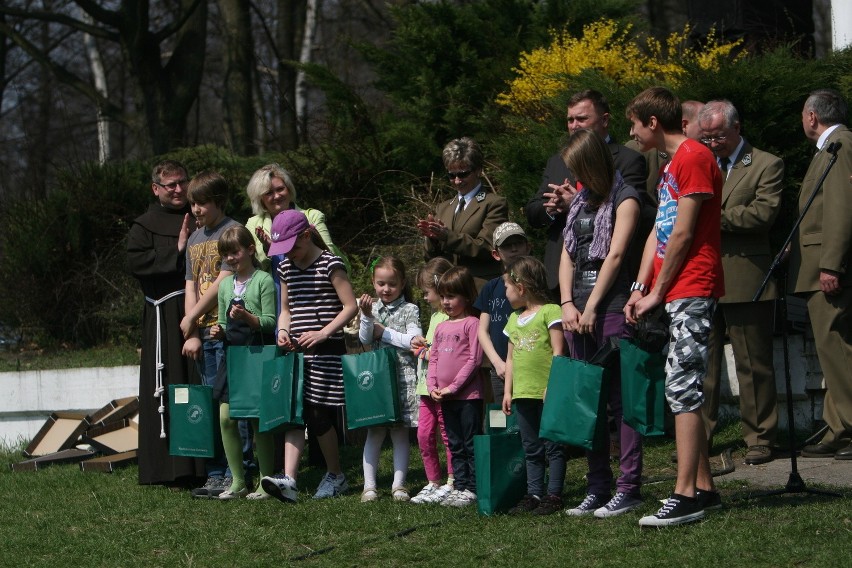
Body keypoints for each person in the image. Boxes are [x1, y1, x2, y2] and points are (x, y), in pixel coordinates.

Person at [624, 86, 724, 527]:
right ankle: (703, 487)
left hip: (692, 285)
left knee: (684, 387)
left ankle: (685, 496)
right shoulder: (669, 166)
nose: (631, 133)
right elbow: (658, 233)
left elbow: (683, 235)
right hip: (673, 287)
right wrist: (639, 285)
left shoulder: (694, 157)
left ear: (652, 123)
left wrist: (659, 293)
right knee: (679, 385)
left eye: (633, 123)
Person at [556, 129, 644, 518]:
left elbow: (615, 254)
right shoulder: (580, 202)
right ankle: (597, 486)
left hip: (611, 307)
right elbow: (567, 255)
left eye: (578, 169)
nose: (574, 177)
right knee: (586, 400)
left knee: (621, 403)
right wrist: (567, 304)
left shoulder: (625, 198)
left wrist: (591, 306)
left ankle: (628, 487)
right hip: (579, 310)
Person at [697, 99, 782, 465]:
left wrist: (713, 215)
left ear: (736, 127)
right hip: (702, 275)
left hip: (746, 276)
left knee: (752, 363)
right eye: (707, 137)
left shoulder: (766, 164)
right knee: (703, 363)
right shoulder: (700, 163)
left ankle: (760, 436)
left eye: (718, 136)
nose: (713, 143)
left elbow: (763, 213)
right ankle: (698, 438)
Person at [260, 209, 358, 502]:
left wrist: (323, 333)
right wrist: (282, 331)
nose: (289, 255)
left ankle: (336, 474)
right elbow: (286, 310)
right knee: (293, 414)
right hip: (297, 355)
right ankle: (289, 479)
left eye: (294, 248)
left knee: (318, 414)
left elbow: (350, 306)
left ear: (305, 235)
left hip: (326, 353)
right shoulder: (285, 268)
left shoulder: (330, 264)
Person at [127, 159, 205, 486]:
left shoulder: (201, 215)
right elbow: (135, 262)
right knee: (168, 385)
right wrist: (178, 249)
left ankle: (201, 464)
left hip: (199, 310)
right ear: (155, 189)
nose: (178, 190)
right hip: (163, 315)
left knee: (198, 383)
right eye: (170, 185)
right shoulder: (144, 226)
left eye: (182, 182)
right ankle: (166, 468)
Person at [525, 89, 647, 295]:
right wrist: (552, 208)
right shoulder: (557, 162)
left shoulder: (627, 160)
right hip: (560, 277)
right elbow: (532, 212)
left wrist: (577, 203)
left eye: (581, 119)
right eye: (570, 120)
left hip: (605, 275)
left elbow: (635, 213)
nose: (574, 126)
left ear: (604, 120)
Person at [789, 89, 852, 460]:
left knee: (837, 347)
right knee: (832, 351)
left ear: (812, 116)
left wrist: (831, 264)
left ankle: (846, 428)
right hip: (818, 265)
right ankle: (836, 426)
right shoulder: (831, 148)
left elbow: (841, 210)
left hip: (827, 270)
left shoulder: (841, 145)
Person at [180, 171, 242, 498]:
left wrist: (192, 316)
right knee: (209, 400)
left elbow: (223, 280)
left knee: (230, 404)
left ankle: (238, 471)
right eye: (192, 203)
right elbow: (191, 283)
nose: (196, 209)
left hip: (226, 328)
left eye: (202, 203)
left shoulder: (233, 231)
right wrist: (191, 328)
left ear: (219, 201)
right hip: (203, 332)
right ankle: (216, 471)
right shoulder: (193, 239)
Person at [210, 225, 277, 499]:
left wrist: (249, 318)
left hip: (258, 356)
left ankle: (266, 481)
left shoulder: (263, 280)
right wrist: (219, 329)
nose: (231, 258)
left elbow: (271, 323)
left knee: (257, 420)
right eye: (226, 254)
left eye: (235, 252)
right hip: (232, 357)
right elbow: (225, 323)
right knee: (226, 418)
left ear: (250, 249)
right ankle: (237, 481)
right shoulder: (225, 284)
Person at [501, 256, 566, 516]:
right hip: (522, 394)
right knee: (531, 446)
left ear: (522, 286)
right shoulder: (513, 320)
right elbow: (510, 358)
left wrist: (554, 385)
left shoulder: (551, 311)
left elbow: (559, 352)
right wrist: (508, 391)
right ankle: (534, 492)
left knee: (554, 444)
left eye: (507, 286)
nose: (505, 292)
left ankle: (553, 494)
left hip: (547, 392)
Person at [357, 257, 422, 502]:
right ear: (373, 283)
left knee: (399, 433)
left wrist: (384, 333)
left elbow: (415, 341)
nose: (386, 289)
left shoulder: (410, 310)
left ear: (402, 283)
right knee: (374, 431)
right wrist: (365, 315)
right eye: (381, 283)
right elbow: (364, 340)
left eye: (392, 284)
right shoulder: (370, 308)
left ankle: (399, 485)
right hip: (376, 379)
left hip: (402, 378)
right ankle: (370, 486)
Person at [426, 266, 483, 507]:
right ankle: (459, 485)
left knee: (470, 442)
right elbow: (434, 357)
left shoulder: (472, 323)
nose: (446, 302)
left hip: (468, 397)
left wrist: (454, 387)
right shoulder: (440, 327)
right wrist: (432, 386)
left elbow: (475, 359)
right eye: (443, 296)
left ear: (467, 296)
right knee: (454, 443)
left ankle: (473, 487)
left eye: (452, 296)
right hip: (444, 397)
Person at [416, 137, 509, 284]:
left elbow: (488, 247)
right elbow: (430, 258)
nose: (457, 181)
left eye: (463, 174)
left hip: (480, 288)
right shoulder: (443, 208)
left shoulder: (494, 203)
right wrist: (433, 239)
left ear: (478, 170)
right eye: (452, 176)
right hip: (450, 290)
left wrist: (447, 236)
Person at [409, 258, 456, 504]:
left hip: (441, 388)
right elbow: (431, 348)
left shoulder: (449, 317)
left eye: (427, 292)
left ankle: (452, 480)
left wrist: (423, 351)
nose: (425, 297)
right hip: (425, 386)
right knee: (424, 434)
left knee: (447, 434)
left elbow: (442, 352)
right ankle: (433, 480)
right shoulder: (436, 316)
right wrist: (422, 345)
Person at [244, 163, 345, 274]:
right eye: (269, 193)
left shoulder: (312, 217)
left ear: (289, 189)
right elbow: (250, 268)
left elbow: (329, 254)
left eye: (280, 189)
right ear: (260, 199)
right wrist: (269, 249)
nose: (277, 196)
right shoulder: (253, 224)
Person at [475, 222, 533, 403]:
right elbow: (482, 331)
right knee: (503, 423)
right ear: (496, 254)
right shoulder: (490, 288)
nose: (514, 249)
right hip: (500, 370)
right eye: (507, 245)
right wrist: (497, 363)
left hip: (531, 368)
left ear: (528, 246)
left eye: (518, 243)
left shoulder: (538, 283)